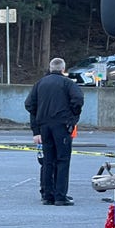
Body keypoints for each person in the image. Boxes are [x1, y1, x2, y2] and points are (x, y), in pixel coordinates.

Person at [25, 57, 84, 206]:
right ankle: (60, 196)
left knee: (47, 161)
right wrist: (72, 118)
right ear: (63, 69)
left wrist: (36, 128)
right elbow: (78, 99)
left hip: (44, 126)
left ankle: (47, 195)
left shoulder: (39, 84)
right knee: (62, 160)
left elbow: (29, 105)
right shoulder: (68, 83)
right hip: (62, 125)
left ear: (50, 68)